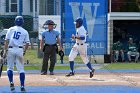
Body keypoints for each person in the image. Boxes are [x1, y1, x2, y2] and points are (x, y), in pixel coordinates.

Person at [4, 16, 30, 92]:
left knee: (9, 68)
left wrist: (5, 50)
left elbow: (6, 41)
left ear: (15, 21)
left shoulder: (11, 29)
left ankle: (11, 82)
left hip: (11, 49)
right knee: (21, 69)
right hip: (19, 50)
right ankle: (22, 86)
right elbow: (27, 43)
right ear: (23, 22)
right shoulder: (25, 31)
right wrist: (24, 51)